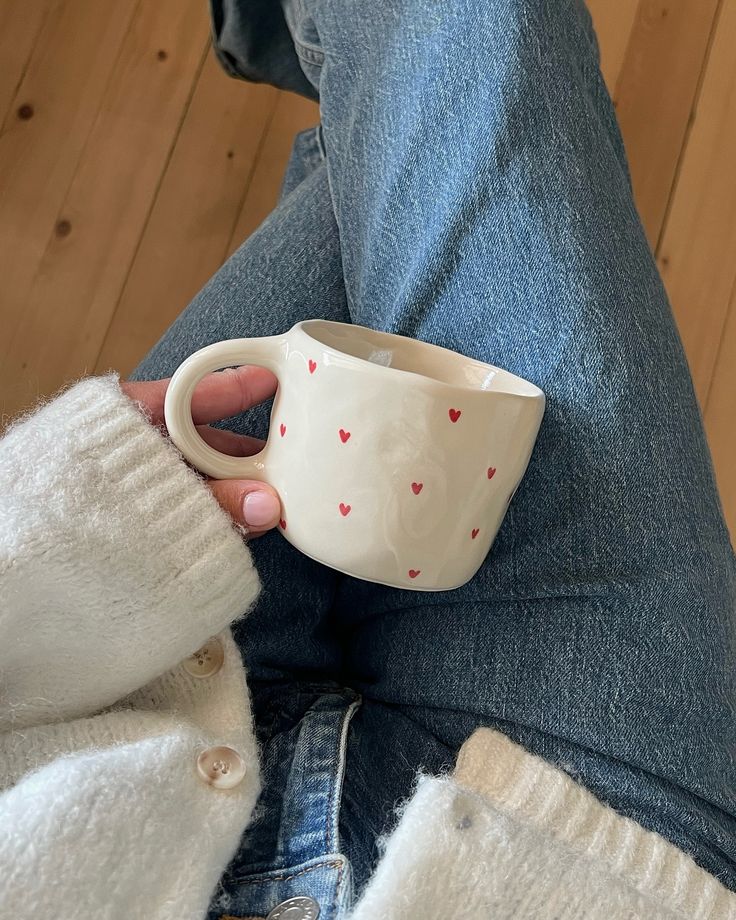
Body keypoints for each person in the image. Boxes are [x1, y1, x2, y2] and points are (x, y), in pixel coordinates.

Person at [1, 0, 734, 917]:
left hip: (103, 665)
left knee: (442, 120)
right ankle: (270, 31)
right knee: (477, 60)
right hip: (562, 863)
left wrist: (48, 510)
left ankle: (277, 36)